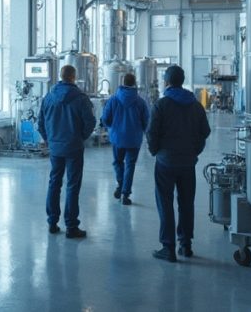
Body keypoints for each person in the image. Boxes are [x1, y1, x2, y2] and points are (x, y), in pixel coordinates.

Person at [147, 65, 211, 262]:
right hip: (187, 163)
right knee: (186, 203)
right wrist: (194, 151)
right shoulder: (195, 105)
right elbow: (205, 131)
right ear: (182, 81)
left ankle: (168, 247)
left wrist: (156, 151)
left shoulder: (161, 105)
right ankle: (186, 244)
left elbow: (151, 133)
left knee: (165, 203)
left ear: (166, 81)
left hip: (166, 162)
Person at [38, 64, 96, 239]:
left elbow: (41, 123)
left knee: (54, 182)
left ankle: (52, 222)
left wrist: (50, 140)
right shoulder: (81, 98)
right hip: (74, 147)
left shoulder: (48, 97)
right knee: (72, 185)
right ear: (73, 77)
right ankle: (71, 226)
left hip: (55, 148)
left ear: (61, 76)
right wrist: (81, 137)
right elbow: (90, 122)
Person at [101, 72, 150, 206]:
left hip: (117, 138)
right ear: (134, 84)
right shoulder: (140, 101)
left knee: (117, 162)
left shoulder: (113, 99)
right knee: (130, 165)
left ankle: (121, 184)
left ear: (122, 83)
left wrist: (113, 127)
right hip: (134, 139)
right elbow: (147, 121)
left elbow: (105, 119)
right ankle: (125, 194)